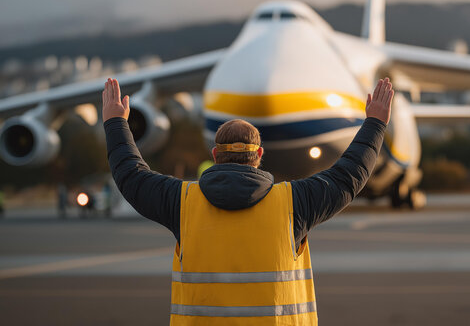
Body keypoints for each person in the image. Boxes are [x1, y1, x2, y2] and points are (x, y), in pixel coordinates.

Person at [102, 77, 393, 325]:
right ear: (259, 157)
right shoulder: (293, 204)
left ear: (215, 156)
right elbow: (348, 175)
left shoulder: (183, 203)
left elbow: (131, 175)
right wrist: (375, 124)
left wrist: (116, 123)